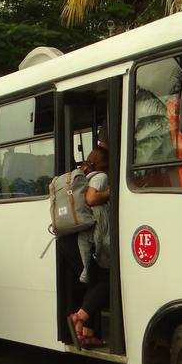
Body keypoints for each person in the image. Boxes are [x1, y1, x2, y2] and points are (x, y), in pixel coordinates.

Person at [69, 149, 111, 349]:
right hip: (96, 239)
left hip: (87, 239)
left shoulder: (87, 176)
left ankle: (87, 334)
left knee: (93, 282)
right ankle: (79, 317)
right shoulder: (101, 177)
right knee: (107, 281)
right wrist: (112, 192)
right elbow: (92, 198)